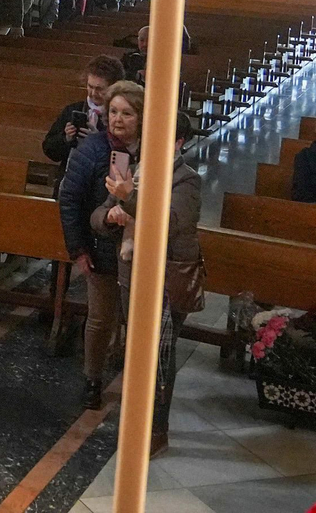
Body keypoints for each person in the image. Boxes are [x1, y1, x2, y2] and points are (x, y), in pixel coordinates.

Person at [57, 81, 195, 407]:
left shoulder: (155, 150)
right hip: (102, 247)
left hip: (144, 255)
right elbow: (70, 201)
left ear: (142, 117)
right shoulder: (91, 149)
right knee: (100, 319)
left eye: (127, 113)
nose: (118, 119)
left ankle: (139, 389)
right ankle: (92, 379)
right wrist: (79, 249)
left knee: (140, 325)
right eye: (113, 112)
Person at [88, 95, 202, 450]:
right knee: (137, 351)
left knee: (159, 356)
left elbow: (167, 223)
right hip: (132, 273)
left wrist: (129, 200)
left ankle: (156, 431)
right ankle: (136, 422)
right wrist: (110, 216)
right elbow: (98, 215)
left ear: (178, 142)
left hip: (168, 277)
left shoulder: (187, 181)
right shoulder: (135, 171)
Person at [43, 56, 122, 163]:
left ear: (113, 87)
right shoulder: (73, 109)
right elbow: (49, 150)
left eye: (99, 89)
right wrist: (66, 138)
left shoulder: (119, 117)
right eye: (90, 86)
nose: (93, 93)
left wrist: (98, 140)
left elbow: (122, 157)